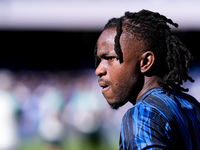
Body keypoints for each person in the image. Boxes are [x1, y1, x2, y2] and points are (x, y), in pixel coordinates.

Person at [94, 9, 200, 150]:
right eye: (99, 60)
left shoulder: (143, 115)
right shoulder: (191, 105)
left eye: (110, 58)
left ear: (145, 62)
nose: (99, 70)